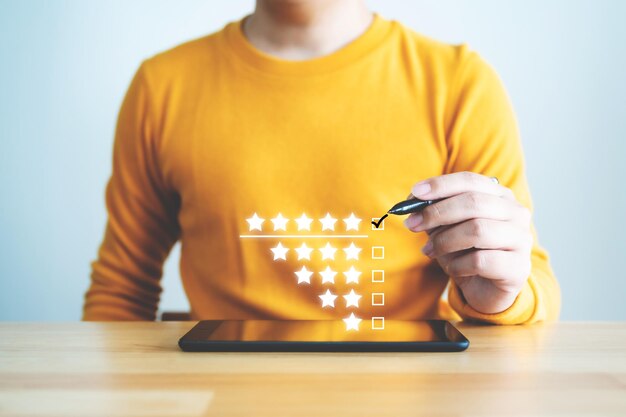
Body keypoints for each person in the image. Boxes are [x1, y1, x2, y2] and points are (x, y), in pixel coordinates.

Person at [83, 0, 560, 324]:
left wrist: (498, 298)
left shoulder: (460, 85)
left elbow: (532, 282)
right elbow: (120, 293)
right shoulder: (162, 87)